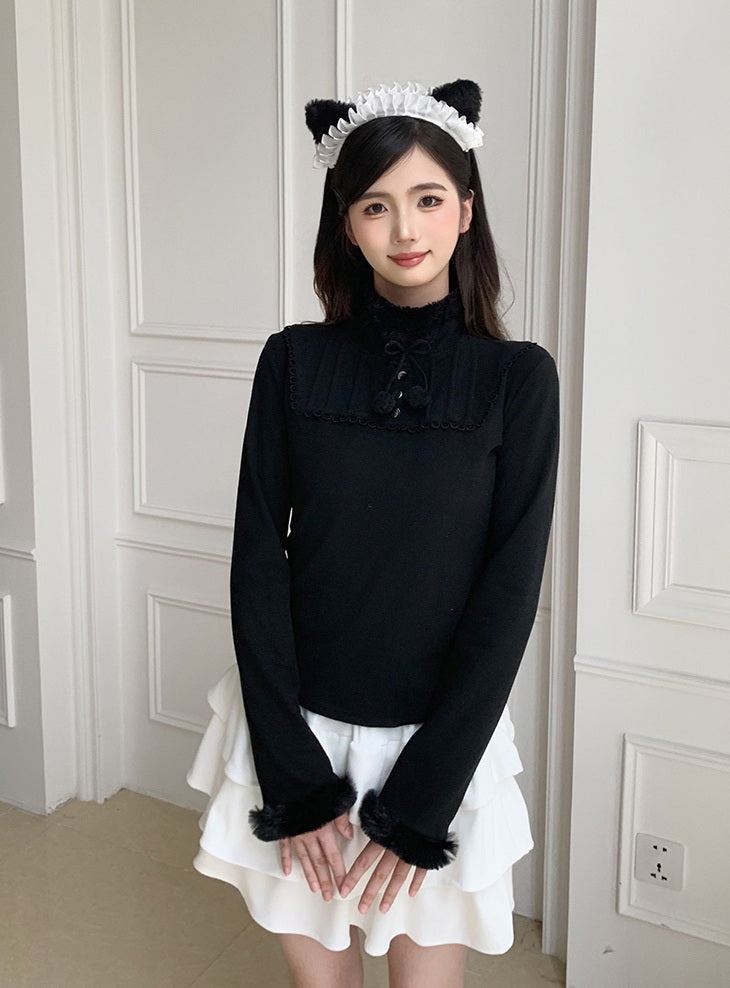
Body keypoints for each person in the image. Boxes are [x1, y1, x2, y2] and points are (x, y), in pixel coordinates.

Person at [187, 79, 560, 988]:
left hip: (440, 748)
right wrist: (295, 780)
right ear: (346, 225)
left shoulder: (520, 380)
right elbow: (255, 564)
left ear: (466, 211)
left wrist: (425, 795)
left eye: (428, 199)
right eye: (375, 205)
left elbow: (508, 595)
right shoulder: (292, 361)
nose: (404, 229)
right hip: (297, 735)